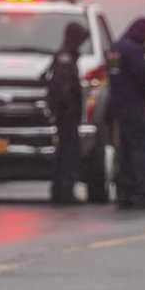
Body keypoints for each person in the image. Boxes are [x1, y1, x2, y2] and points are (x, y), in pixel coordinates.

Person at [108, 17, 145, 209]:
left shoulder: (115, 48)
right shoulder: (134, 51)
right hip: (134, 105)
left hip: (118, 104)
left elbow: (113, 75)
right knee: (142, 148)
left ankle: (124, 191)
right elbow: (143, 79)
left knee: (124, 149)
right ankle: (144, 192)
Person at [44, 22, 90, 205]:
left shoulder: (65, 56)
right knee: (68, 153)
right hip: (66, 114)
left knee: (64, 151)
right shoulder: (65, 58)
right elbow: (64, 88)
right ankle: (64, 191)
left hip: (65, 113)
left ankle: (61, 190)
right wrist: (68, 108)